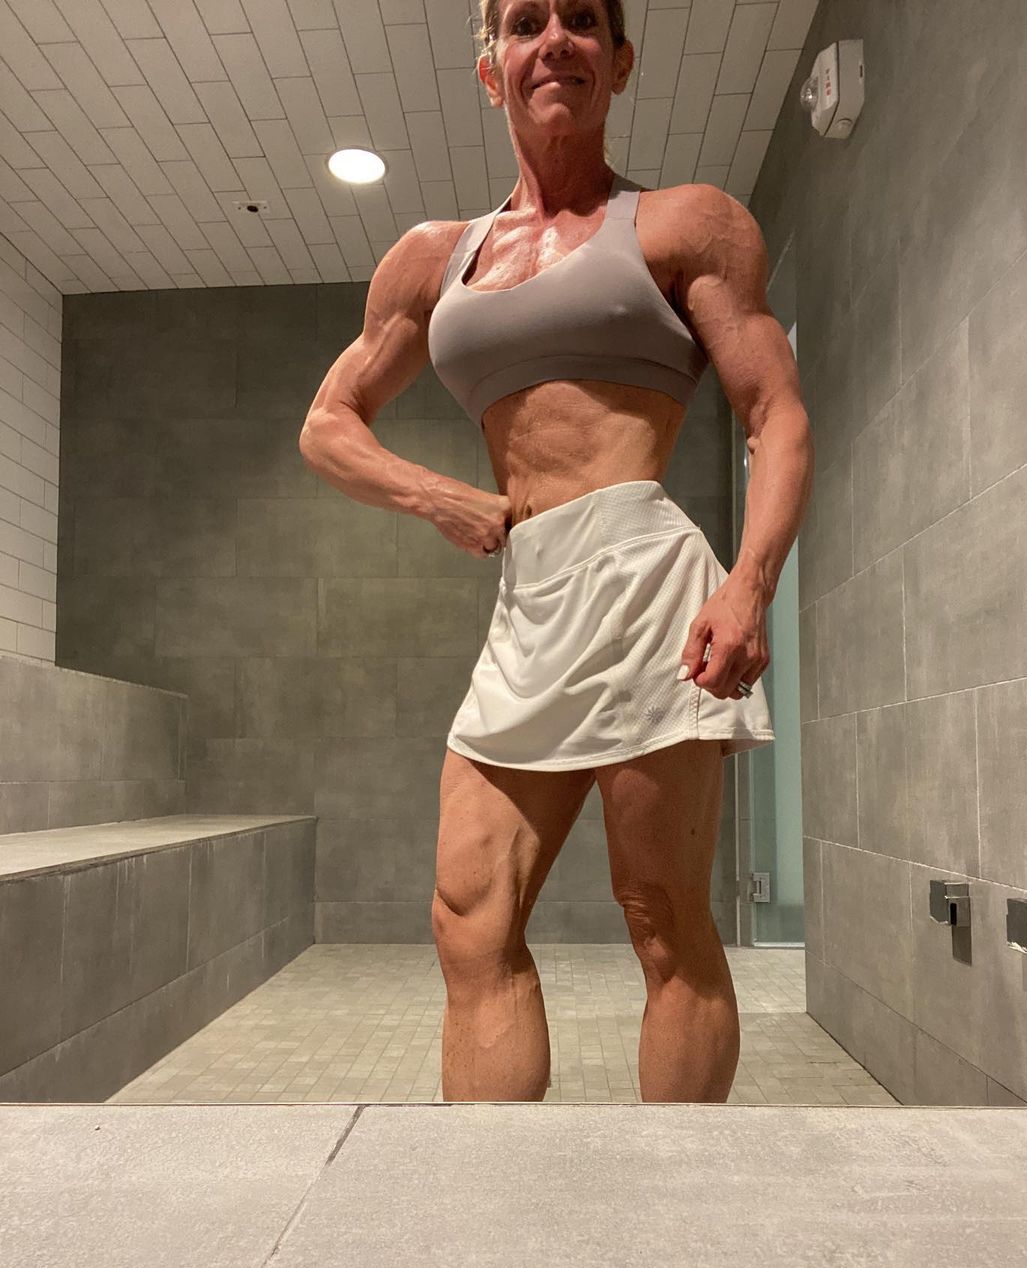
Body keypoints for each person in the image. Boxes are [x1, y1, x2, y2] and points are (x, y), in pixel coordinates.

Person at [299, 0, 814, 1105]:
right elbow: (328, 424)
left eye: (583, 19)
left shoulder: (685, 224)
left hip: (648, 587)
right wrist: (434, 495)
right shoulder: (431, 259)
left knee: (662, 916)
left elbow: (776, 414)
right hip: (527, 598)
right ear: (491, 67)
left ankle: (680, 1184)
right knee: (468, 915)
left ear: (618, 62)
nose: (556, 39)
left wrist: (749, 585)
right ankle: (497, 1189)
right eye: (526, 21)